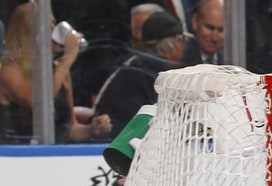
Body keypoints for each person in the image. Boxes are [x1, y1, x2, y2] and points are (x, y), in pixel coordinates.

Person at [0, 4, 112, 143]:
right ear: (29, 34)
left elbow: (69, 128)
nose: (54, 31)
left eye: (53, 24)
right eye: (47, 27)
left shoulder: (61, 72)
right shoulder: (9, 71)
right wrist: (67, 60)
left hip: (56, 155)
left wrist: (90, 129)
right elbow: (35, 103)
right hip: (16, 155)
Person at [92, 11, 185, 139]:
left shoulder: (132, 61)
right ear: (175, 41)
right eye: (181, 41)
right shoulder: (157, 70)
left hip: (112, 139)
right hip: (123, 143)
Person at [183, 0, 225, 65]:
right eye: (209, 28)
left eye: (221, 30)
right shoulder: (178, 59)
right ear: (195, 22)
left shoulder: (230, 62)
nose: (214, 38)